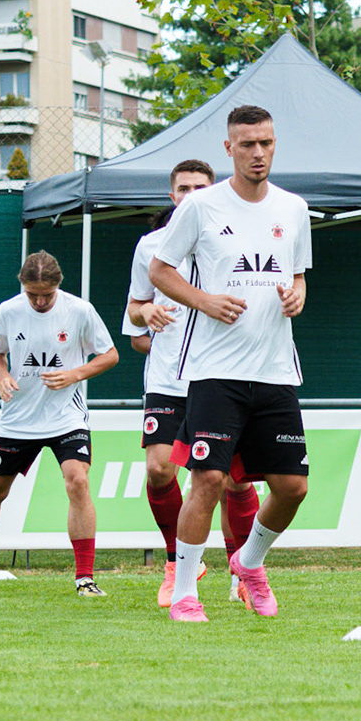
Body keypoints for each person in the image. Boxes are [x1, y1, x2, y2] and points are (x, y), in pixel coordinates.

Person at [150, 104, 314, 622]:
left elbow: (300, 275)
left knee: (293, 488)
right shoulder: (200, 207)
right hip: (215, 372)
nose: (258, 153)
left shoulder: (293, 208)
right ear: (229, 149)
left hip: (276, 371)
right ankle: (183, 593)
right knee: (209, 482)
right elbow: (160, 269)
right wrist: (203, 300)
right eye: (247, 144)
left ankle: (249, 563)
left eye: (265, 142)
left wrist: (298, 296)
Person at [0, 253, 118, 595]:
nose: (40, 301)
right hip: (18, 419)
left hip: (66, 416)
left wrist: (75, 374)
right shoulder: (9, 310)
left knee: (78, 481)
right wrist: (2, 377)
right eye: (33, 294)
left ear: (58, 285)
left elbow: (110, 354)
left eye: (47, 294)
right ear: (23, 287)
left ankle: (85, 578)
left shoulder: (79, 310)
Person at [123, 159, 262, 609]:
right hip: (168, 378)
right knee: (159, 469)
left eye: (199, 187)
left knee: (233, 483)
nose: (190, 195)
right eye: (182, 188)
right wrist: (147, 314)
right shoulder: (151, 247)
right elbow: (133, 309)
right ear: (172, 196)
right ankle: (176, 564)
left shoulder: (235, 236)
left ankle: (243, 569)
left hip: (224, 375)